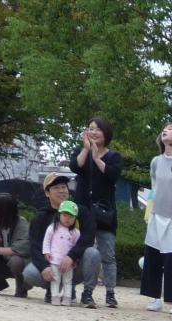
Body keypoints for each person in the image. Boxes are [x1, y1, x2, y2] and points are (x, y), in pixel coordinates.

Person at [68, 117, 124, 308]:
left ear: (106, 133)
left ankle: (110, 292)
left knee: (107, 254)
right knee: (77, 250)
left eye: (97, 129)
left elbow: (112, 175)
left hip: (104, 213)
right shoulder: (80, 151)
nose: (93, 132)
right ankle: (74, 289)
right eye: (90, 128)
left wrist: (97, 157)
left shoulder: (114, 156)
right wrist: (86, 150)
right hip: (82, 211)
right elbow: (75, 167)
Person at [23, 172, 101, 302]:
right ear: (47, 193)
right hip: (52, 265)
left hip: (75, 265)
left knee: (93, 253)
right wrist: (44, 266)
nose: (61, 191)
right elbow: (35, 246)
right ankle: (51, 289)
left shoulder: (81, 211)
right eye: (56, 188)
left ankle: (87, 293)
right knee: (29, 273)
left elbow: (88, 238)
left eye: (64, 187)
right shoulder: (41, 217)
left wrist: (71, 256)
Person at [141, 122, 172, 313]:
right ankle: (154, 298)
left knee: (171, 259)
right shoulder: (156, 161)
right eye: (164, 129)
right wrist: (150, 213)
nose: (165, 131)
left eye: (170, 129)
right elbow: (154, 187)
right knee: (153, 256)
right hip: (156, 215)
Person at [0, 192, 31, 296]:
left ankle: (22, 286)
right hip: (1, 259)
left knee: (16, 261)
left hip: (14, 262)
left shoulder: (21, 223)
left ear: (2, 210)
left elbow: (22, 248)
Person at [42, 199, 82, 305]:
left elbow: (76, 247)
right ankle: (54, 297)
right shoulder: (52, 228)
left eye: (71, 216)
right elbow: (46, 241)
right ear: (59, 215)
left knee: (68, 281)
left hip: (68, 264)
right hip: (54, 260)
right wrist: (46, 252)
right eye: (65, 215)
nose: (67, 219)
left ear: (75, 218)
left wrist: (75, 259)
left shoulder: (76, 233)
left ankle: (67, 298)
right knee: (55, 280)